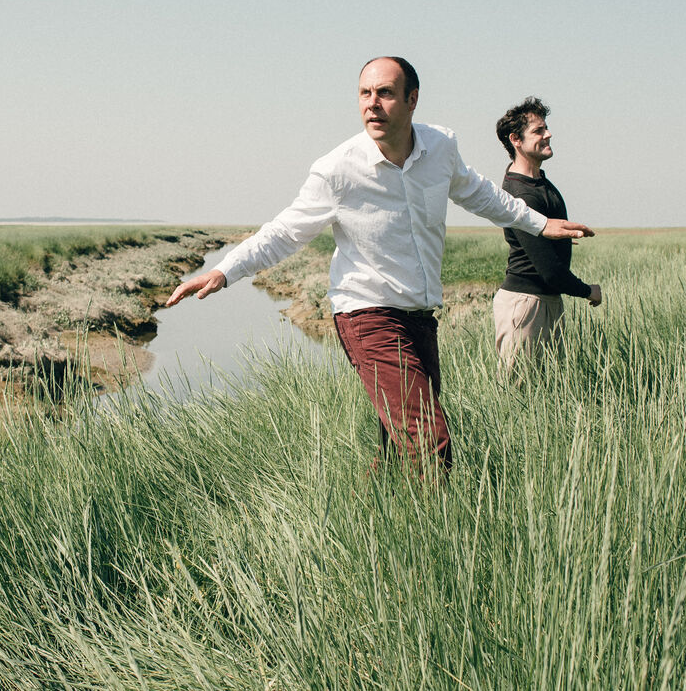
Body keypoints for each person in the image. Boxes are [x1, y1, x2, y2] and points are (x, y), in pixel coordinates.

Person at [164, 57, 594, 476]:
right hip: (366, 314)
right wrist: (224, 270)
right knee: (429, 441)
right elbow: (285, 232)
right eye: (364, 93)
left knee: (398, 443)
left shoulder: (440, 147)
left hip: (419, 315)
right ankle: (437, 523)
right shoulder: (337, 169)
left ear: (412, 100)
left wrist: (539, 224)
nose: (372, 103)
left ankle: (370, 508)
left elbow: (480, 194)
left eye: (385, 93)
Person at [492, 97, 602, 367]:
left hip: (546, 300)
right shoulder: (521, 194)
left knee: (548, 386)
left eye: (546, 128)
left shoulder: (538, 181)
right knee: (521, 387)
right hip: (526, 304)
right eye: (538, 131)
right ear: (516, 140)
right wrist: (588, 291)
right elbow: (549, 270)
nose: (548, 134)